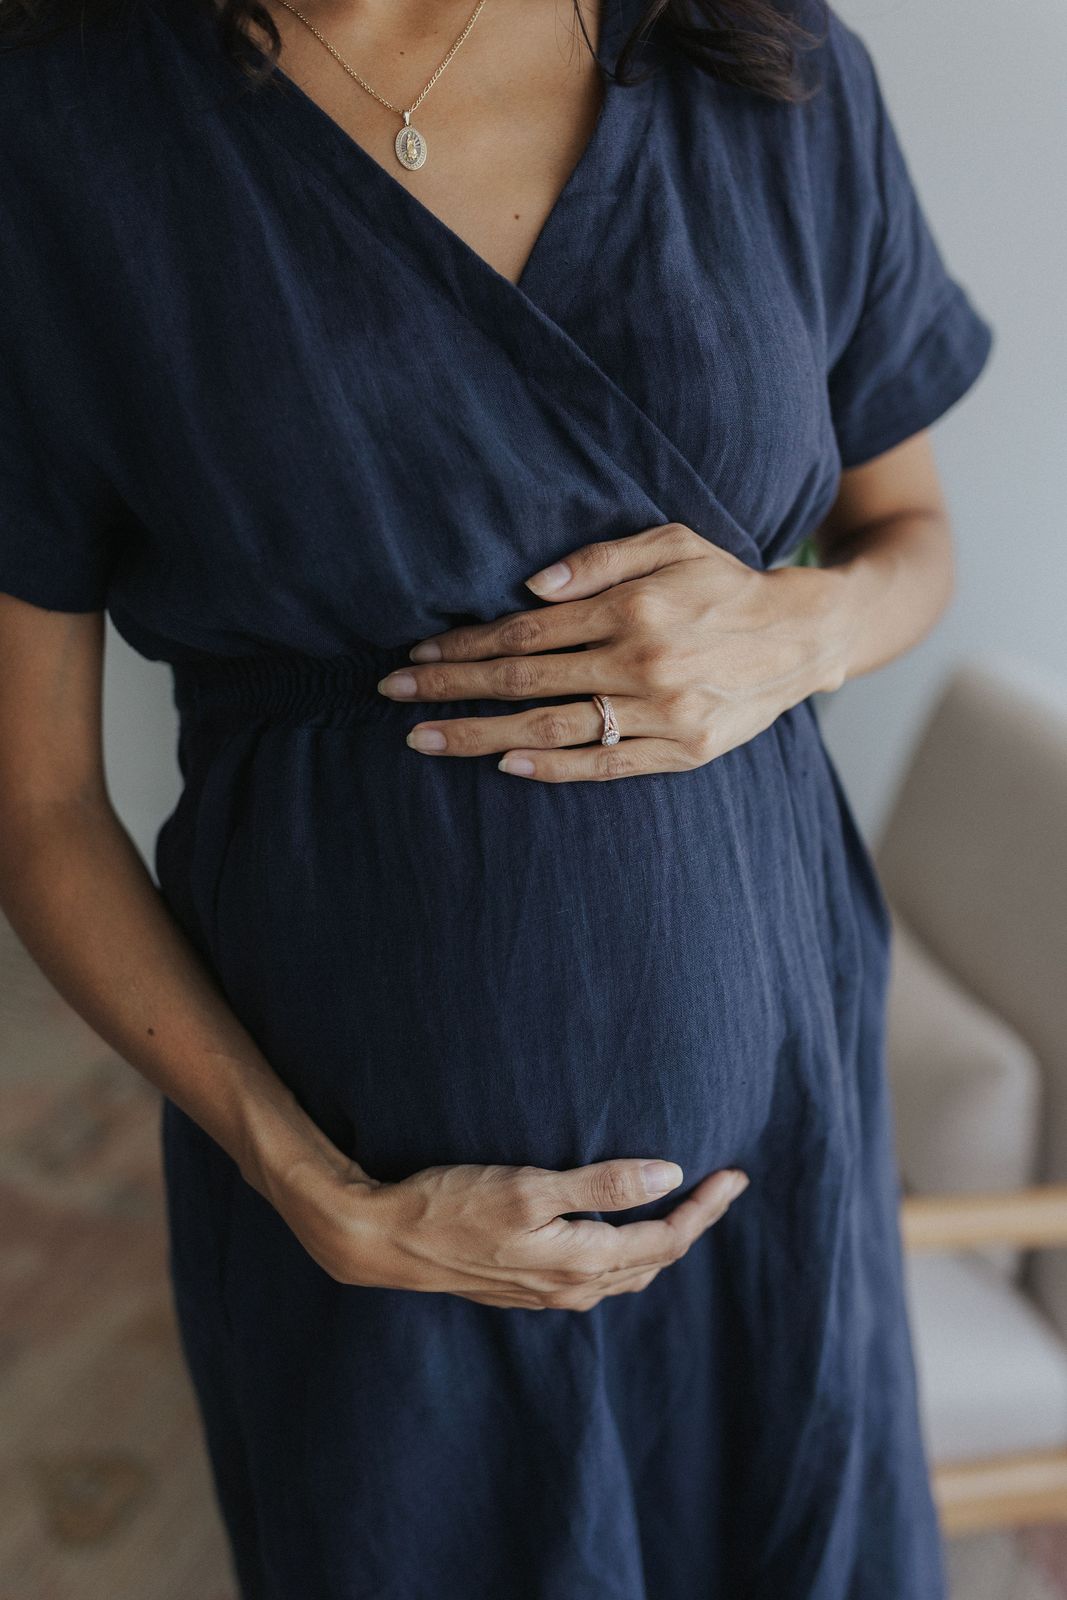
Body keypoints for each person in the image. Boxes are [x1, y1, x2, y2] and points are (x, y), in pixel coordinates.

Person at [0, 0, 993, 1593]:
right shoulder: (61, 141)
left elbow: (913, 536)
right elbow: (35, 806)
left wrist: (794, 630)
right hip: (375, 1216)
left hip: (780, 1162)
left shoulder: (769, 61)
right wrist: (311, 1190)